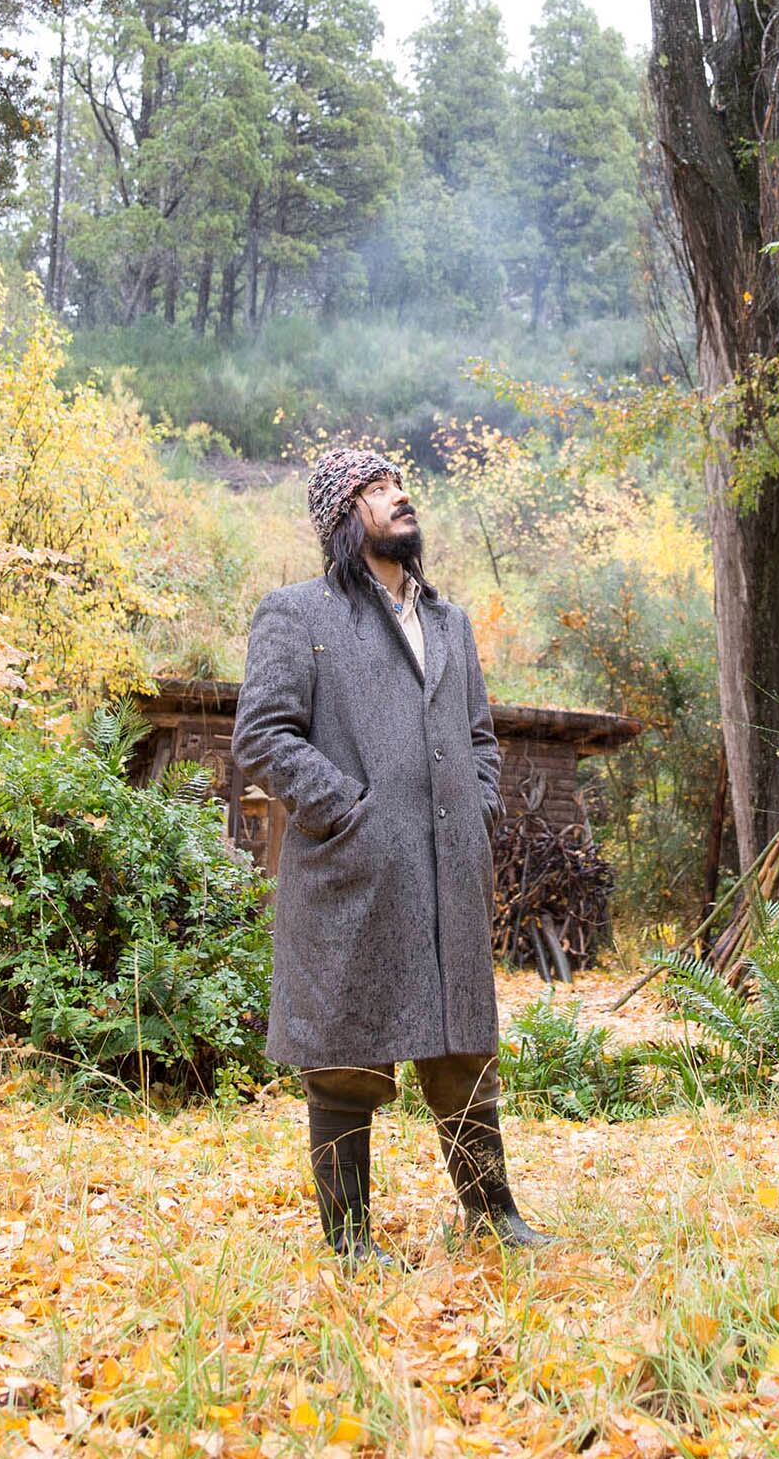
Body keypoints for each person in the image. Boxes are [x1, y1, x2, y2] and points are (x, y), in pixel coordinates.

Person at [231, 446, 552, 1265]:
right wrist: (350, 811)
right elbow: (262, 736)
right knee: (345, 1057)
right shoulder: (296, 613)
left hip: (447, 868)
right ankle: (348, 1241)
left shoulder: (450, 622)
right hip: (351, 871)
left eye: (398, 483)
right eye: (376, 489)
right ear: (344, 517)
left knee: (460, 1044)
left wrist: (476, 811)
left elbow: (480, 739)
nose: (398, 495)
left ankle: (493, 1213)